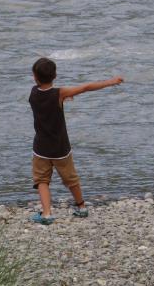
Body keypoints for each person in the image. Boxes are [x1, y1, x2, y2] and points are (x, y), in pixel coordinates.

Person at [28, 57, 123, 225]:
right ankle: (82, 207)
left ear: (35, 77)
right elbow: (85, 87)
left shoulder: (34, 93)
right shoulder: (59, 94)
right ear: (55, 76)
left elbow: (46, 98)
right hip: (61, 148)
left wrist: (63, 98)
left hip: (41, 148)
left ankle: (47, 214)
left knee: (42, 180)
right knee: (71, 179)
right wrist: (110, 82)